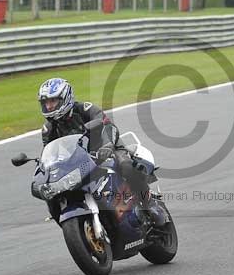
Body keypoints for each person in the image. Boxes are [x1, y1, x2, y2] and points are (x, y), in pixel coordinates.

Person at [38, 77, 151, 206]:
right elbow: (48, 153)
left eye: (53, 101)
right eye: (45, 102)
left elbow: (108, 125)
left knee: (126, 166)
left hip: (106, 148)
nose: (49, 106)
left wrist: (108, 145)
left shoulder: (84, 109)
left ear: (65, 97)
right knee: (51, 192)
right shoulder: (48, 128)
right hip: (79, 161)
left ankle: (147, 201)